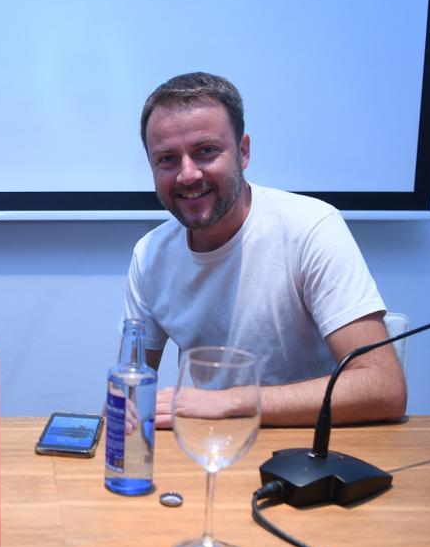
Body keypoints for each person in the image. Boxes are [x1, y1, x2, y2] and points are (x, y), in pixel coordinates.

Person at [124, 72, 406, 427]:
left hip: (309, 452)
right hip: (205, 445)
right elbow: (130, 390)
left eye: (206, 151)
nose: (188, 175)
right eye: (167, 159)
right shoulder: (149, 254)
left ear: (243, 152)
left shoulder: (311, 227)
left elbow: (383, 388)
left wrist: (231, 402)